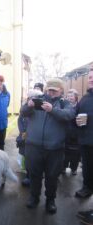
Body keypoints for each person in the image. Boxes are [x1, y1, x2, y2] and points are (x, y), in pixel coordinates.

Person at [21, 78, 75, 214]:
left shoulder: (64, 103)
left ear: (61, 90)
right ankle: (34, 197)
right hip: (34, 146)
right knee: (34, 174)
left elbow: (69, 115)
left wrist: (52, 110)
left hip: (55, 148)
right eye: (49, 89)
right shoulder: (37, 99)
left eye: (54, 91)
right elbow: (23, 112)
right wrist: (29, 105)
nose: (50, 93)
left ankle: (50, 200)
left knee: (52, 176)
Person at [75, 69, 93, 223]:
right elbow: (76, 113)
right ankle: (87, 188)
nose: (91, 79)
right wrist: (77, 120)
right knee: (87, 169)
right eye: (90, 77)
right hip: (85, 142)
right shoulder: (85, 98)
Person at [16, 88, 44, 187]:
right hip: (25, 137)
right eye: (31, 97)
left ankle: (36, 176)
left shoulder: (41, 109)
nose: (33, 99)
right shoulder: (25, 107)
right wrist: (23, 132)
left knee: (37, 159)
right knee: (27, 158)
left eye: (36, 97)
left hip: (36, 139)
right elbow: (20, 121)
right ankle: (28, 176)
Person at [62, 89, 80, 176]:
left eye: (71, 96)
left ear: (76, 97)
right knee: (64, 151)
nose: (70, 98)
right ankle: (63, 167)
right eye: (68, 96)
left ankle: (74, 168)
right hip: (65, 132)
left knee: (75, 153)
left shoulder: (79, 107)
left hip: (76, 133)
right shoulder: (64, 106)